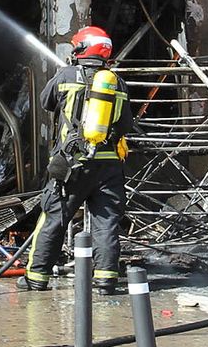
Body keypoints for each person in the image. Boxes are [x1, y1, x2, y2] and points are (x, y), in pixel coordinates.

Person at [18, 25, 134, 296]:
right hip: (109, 166)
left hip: (73, 164)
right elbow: (126, 123)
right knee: (107, 224)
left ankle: (37, 276)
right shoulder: (117, 82)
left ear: (81, 48)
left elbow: (47, 101)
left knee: (54, 218)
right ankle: (106, 280)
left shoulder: (66, 76)